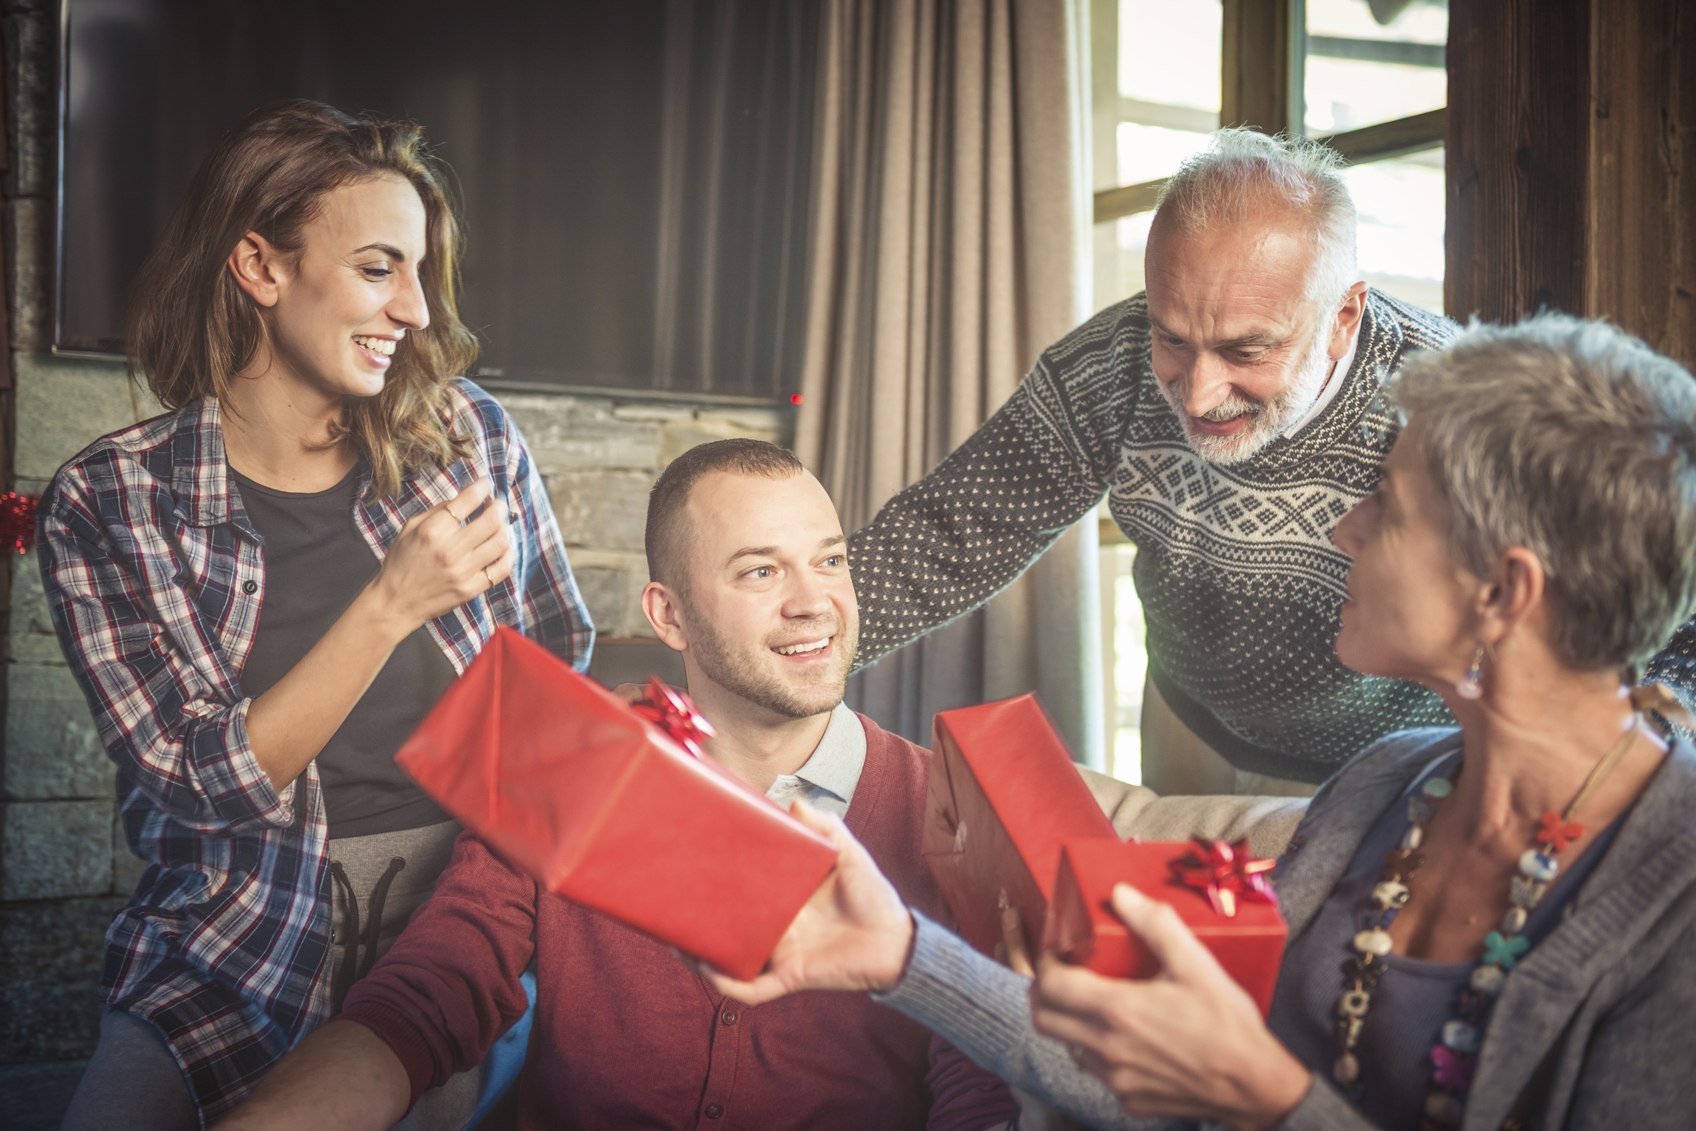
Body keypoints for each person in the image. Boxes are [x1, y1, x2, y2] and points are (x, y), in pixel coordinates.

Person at [706, 315, 1696, 1130]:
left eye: (1388, 508)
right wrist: (904, 958)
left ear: (1502, 593)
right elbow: (1171, 1090)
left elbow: (1236, 1089)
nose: (1343, 526)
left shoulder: (1673, 897)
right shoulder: (1381, 788)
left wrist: (1267, 1099)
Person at [37, 100, 593, 1128]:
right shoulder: (111, 501)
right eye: (381, 269)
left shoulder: (466, 437)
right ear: (260, 267)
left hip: (457, 916)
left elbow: (558, 657)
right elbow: (202, 787)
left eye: (420, 273)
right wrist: (389, 605)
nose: (418, 311)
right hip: (228, 939)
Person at [846, 128, 1696, 795]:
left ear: (1344, 314)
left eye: (1246, 349)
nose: (1198, 393)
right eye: (1172, 337)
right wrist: (788, 646)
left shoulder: (1448, 409)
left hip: (1390, 762)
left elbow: (1633, 614)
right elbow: (948, 532)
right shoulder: (1112, 361)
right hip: (1187, 720)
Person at [212, 438, 1020, 1131]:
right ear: (668, 616)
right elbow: (428, 994)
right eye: (760, 571)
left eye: (831, 560)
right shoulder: (566, 771)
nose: (815, 603)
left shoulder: (948, 814)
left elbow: (975, 1088)